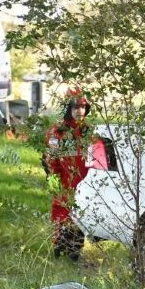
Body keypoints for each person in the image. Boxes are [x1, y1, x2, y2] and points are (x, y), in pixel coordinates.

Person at [43, 87, 92, 261]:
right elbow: (50, 160)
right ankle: (59, 246)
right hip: (61, 179)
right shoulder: (57, 132)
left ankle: (75, 250)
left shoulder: (89, 131)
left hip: (84, 182)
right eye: (76, 107)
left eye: (83, 107)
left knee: (80, 214)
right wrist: (54, 182)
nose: (80, 111)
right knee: (61, 212)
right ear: (68, 108)